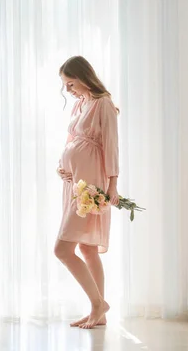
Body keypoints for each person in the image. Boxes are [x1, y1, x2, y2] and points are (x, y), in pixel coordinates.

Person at [55, 56, 119, 329]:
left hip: (91, 183)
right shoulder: (81, 104)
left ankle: (97, 303)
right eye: (65, 85)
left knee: (63, 250)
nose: (68, 90)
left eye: (71, 83)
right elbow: (72, 141)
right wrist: (62, 167)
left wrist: (112, 186)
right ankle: (99, 312)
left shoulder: (103, 103)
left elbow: (111, 146)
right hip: (73, 183)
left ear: (84, 77)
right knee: (87, 248)